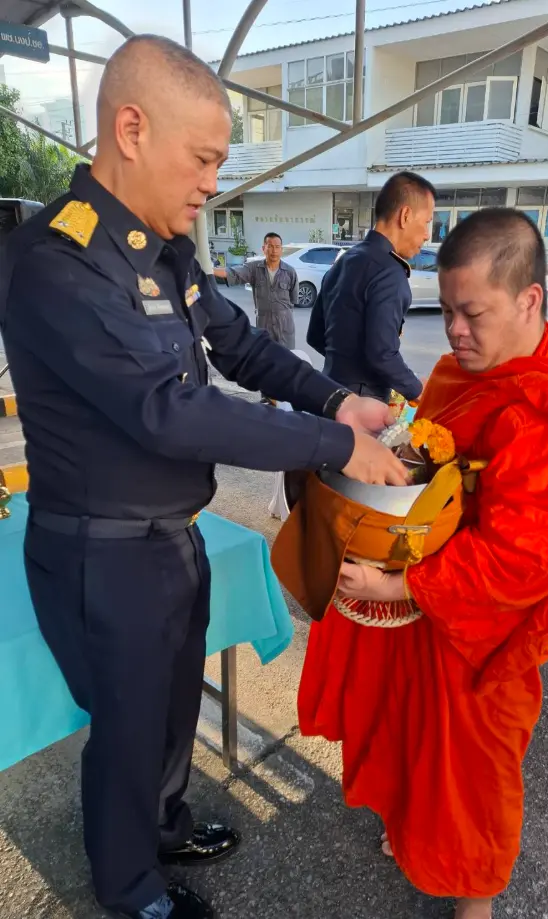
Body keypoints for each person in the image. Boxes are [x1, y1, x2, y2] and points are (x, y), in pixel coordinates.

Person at [0, 36, 407, 919]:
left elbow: (242, 346)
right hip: (102, 552)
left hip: (172, 536)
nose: (212, 183)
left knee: (174, 701)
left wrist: (338, 400)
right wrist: (332, 447)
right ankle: (130, 887)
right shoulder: (55, 264)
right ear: (131, 129)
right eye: (204, 159)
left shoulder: (166, 249)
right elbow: (169, 411)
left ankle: (164, 823)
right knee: (128, 725)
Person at [298, 210, 548, 919]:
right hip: (422, 609)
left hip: (478, 637)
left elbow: (521, 558)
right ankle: (408, 827)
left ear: (530, 300)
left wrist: (400, 584)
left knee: (472, 776)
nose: (454, 331)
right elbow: (430, 455)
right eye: (445, 311)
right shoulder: (459, 371)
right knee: (404, 735)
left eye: (472, 313)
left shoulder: (544, 409)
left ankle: (476, 899)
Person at [307, 170, 434, 404]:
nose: (427, 235)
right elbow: (382, 354)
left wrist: (348, 367)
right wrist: (418, 390)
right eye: (427, 222)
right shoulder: (389, 271)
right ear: (405, 215)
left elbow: (315, 336)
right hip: (364, 405)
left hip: (330, 393)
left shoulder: (344, 261)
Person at [225, 231, 297, 351]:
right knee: (265, 356)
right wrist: (209, 270)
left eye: (277, 247)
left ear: (281, 249)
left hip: (285, 326)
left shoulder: (290, 272)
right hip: (264, 324)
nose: (274, 251)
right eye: (270, 246)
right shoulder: (254, 268)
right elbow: (234, 273)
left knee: (287, 357)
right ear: (264, 248)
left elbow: (293, 299)